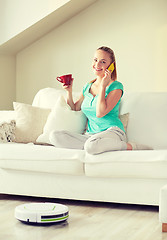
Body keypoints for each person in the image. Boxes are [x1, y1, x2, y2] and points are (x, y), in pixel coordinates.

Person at [50, 46, 152, 154]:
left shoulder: (116, 87)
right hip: (91, 136)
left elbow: (100, 113)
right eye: (95, 60)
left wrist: (103, 87)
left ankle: (130, 146)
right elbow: (75, 108)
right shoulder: (87, 86)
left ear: (111, 65)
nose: (97, 65)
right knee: (54, 136)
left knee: (91, 146)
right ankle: (97, 146)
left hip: (112, 132)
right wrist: (69, 91)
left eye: (103, 62)